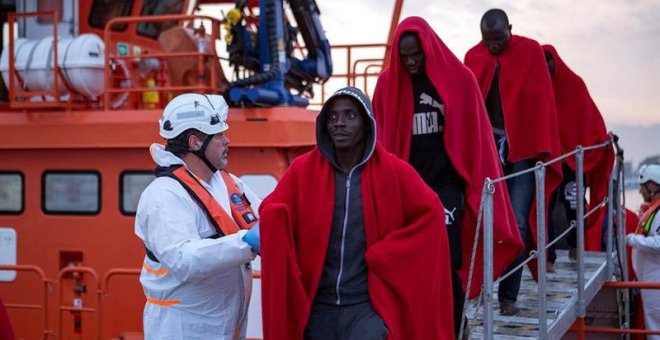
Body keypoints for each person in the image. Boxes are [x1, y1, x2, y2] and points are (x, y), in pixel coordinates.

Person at [259, 87, 455, 339]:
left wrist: (385, 254)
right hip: (317, 307)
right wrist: (273, 219)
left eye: (350, 116)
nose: (339, 123)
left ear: (367, 123)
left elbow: (431, 214)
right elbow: (272, 210)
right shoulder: (302, 170)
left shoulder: (395, 172)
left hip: (366, 307)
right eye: (332, 117)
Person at [371, 16, 522, 336]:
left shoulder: (457, 79)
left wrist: (475, 186)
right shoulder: (388, 84)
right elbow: (379, 140)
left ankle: (454, 327)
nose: (411, 62)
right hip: (408, 187)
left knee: (449, 258)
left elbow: (475, 137)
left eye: (417, 54)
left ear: (428, 49)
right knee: (408, 260)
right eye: (405, 56)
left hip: (446, 185)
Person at [134, 93, 262, 339]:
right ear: (195, 142)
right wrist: (246, 242)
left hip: (224, 326)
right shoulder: (163, 195)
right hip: (183, 329)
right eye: (219, 135)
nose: (227, 141)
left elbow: (267, 211)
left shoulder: (226, 183)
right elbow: (184, 259)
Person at [464, 9, 562, 315]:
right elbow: (468, 104)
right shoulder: (473, 57)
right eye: (487, 40)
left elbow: (541, 103)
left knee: (518, 221)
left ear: (510, 28)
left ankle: (508, 298)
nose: (493, 46)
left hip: (522, 150)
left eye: (499, 38)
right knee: (482, 220)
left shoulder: (530, 51)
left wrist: (540, 148)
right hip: (488, 148)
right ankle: (480, 290)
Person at [542, 45, 614, 267]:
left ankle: (575, 245)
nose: (548, 68)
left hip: (573, 159)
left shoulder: (574, 84)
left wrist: (601, 139)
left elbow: (590, 117)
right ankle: (548, 257)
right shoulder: (538, 89)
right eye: (543, 64)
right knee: (544, 206)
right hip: (548, 159)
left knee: (573, 203)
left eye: (550, 62)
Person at [627, 164, 660, 337]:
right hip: (650, 281)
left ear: (652, 187)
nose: (640, 192)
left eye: (642, 187)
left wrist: (633, 239)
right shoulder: (655, 211)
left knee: (655, 330)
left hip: (655, 283)